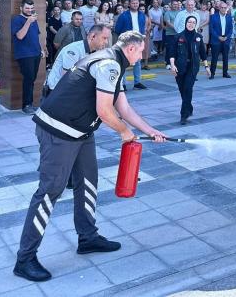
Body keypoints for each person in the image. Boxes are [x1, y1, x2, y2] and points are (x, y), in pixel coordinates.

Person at [14, 31, 168, 283]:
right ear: (130, 49)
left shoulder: (114, 62)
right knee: (50, 190)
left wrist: (150, 131)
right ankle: (25, 259)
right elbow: (104, 110)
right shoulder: (108, 64)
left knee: (87, 183)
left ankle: (87, 237)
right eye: (141, 51)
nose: (143, 56)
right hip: (58, 130)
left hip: (80, 130)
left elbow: (123, 107)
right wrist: (125, 133)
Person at [44, 25, 112, 95]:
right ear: (93, 36)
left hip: (72, 90)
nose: (106, 42)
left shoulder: (96, 52)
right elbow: (67, 78)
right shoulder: (74, 50)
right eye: (104, 38)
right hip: (57, 91)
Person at [170, 15, 209, 124]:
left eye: (193, 22)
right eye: (189, 22)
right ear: (186, 23)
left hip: (193, 67)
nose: (191, 24)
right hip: (179, 67)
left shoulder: (198, 37)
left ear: (195, 24)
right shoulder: (178, 37)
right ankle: (189, 107)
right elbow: (172, 53)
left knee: (187, 88)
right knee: (182, 90)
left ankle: (184, 115)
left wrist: (206, 66)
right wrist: (172, 65)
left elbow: (203, 53)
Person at [12, 0, 45, 114]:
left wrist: (41, 49)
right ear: (21, 8)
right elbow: (20, 36)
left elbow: (37, 35)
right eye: (27, 8)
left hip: (35, 53)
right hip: (24, 54)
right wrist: (28, 22)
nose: (30, 10)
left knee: (32, 79)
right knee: (29, 79)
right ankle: (26, 105)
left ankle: (30, 103)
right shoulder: (17, 19)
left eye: (31, 8)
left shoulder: (33, 19)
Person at [113, 0, 148, 89]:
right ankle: (122, 84)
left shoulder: (141, 15)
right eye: (133, 3)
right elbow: (117, 29)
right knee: (124, 63)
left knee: (137, 63)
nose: (135, 5)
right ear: (129, 4)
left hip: (138, 41)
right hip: (126, 43)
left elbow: (142, 27)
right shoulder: (123, 15)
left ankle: (137, 82)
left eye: (136, 3)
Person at [208, 1, 233, 79]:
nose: (223, 9)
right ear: (218, 8)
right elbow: (211, 29)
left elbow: (231, 29)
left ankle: (225, 73)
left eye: (224, 8)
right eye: (221, 7)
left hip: (226, 40)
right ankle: (212, 73)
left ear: (226, 8)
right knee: (214, 58)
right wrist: (218, 37)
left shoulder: (229, 17)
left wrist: (227, 37)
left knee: (225, 58)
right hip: (216, 40)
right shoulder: (213, 16)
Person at [162, 0, 180, 68]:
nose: (175, 6)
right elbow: (168, 23)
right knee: (170, 48)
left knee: (177, 49)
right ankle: (168, 63)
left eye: (176, 4)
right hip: (170, 34)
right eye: (174, 4)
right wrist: (176, 28)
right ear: (171, 5)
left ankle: (175, 63)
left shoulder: (180, 13)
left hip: (178, 34)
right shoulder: (167, 13)